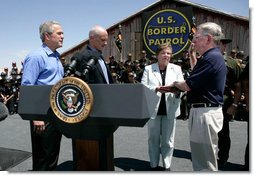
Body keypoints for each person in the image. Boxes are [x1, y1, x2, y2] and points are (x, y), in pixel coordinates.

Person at [166, 22, 227, 171]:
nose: (193, 41)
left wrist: (173, 83)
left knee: (205, 163)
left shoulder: (210, 58)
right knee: (201, 159)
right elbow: (198, 76)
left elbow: (188, 85)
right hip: (203, 112)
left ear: (208, 39)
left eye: (196, 37)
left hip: (205, 113)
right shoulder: (210, 57)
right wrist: (193, 56)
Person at [21, 20, 64, 171]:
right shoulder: (36, 57)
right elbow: (27, 88)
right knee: (42, 159)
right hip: (42, 115)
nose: (62, 36)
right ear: (47, 36)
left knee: (52, 156)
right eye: (59, 33)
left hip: (56, 112)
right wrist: (35, 116)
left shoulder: (56, 57)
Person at [70, 25, 114, 170]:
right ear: (92, 38)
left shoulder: (99, 56)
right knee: (93, 156)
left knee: (105, 152)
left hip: (106, 111)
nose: (105, 43)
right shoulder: (81, 57)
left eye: (106, 40)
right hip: (91, 115)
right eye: (102, 40)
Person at [141, 43, 184, 171]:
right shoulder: (148, 69)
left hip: (170, 108)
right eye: (163, 53)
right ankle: (153, 165)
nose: (166, 55)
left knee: (168, 140)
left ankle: (167, 165)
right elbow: (143, 88)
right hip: (153, 109)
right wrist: (156, 88)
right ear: (157, 55)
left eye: (169, 53)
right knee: (153, 139)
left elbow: (182, 87)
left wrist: (176, 91)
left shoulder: (176, 69)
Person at [217, 34, 242, 168]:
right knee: (208, 132)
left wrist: (234, 104)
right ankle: (208, 155)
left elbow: (238, 86)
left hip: (224, 102)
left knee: (223, 132)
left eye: (220, 44)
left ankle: (223, 157)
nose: (217, 46)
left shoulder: (232, 63)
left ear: (224, 46)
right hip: (208, 103)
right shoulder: (204, 60)